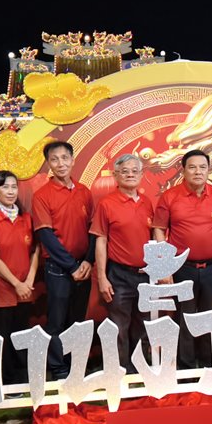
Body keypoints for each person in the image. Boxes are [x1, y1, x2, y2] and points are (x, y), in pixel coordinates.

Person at [152, 149, 212, 369]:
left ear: (208, 170)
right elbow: (159, 230)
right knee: (185, 316)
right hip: (182, 268)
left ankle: (210, 364)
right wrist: (164, 266)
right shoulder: (170, 197)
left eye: (202, 167)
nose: (198, 171)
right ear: (183, 170)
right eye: (192, 167)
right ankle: (186, 367)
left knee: (211, 316)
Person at [31, 141, 95, 380]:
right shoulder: (42, 195)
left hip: (84, 267)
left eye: (64, 158)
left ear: (72, 160)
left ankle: (76, 366)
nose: (60, 163)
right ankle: (58, 368)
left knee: (77, 321)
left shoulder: (84, 191)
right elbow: (46, 237)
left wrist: (88, 261)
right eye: (54, 159)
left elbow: (93, 229)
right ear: (48, 163)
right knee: (56, 321)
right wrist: (72, 266)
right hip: (58, 268)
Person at [91, 154, 155, 374]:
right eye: (124, 171)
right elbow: (101, 241)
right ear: (116, 175)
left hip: (146, 274)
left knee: (143, 325)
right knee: (118, 326)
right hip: (119, 274)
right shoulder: (106, 204)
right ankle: (119, 371)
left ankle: (139, 369)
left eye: (134, 171)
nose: (130, 175)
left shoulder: (147, 203)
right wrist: (102, 277)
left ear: (141, 175)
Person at [0, 171, 38, 385]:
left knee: (21, 335)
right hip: (0, 290)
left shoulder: (26, 218)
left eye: (13, 187)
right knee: (2, 338)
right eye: (5, 187)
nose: (10, 191)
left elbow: (35, 250)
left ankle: (23, 380)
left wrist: (28, 281)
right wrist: (16, 283)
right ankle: (6, 383)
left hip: (25, 290)